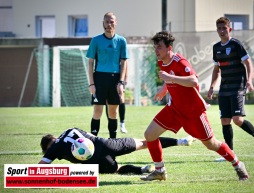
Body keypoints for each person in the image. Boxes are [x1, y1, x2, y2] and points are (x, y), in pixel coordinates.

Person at [140, 31, 249, 182]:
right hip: (174, 109)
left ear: (169, 48)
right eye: (155, 47)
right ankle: (160, 171)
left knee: (211, 144)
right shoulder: (161, 61)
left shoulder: (180, 62)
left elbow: (193, 81)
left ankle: (238, 164)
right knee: (150, 135)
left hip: (193, 113)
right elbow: (170, 79)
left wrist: (170, 78)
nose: (156, 50)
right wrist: (164, 89)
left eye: (159, 47)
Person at [207, 17, 254, 162]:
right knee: (225, 121)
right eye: (219, 28)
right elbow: (216, 70)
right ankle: (230, 154)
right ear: (217, 30)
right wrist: (211, 87)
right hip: (224, 88)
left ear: (230, 29)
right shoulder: (216, 47)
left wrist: (249, 80)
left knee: (237, 119)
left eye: (224, 28)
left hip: (238, 87)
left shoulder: (236, 44)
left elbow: (248, 62)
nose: (222, 31)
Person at [38, 127, 195, 174]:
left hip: (95, 161)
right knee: (145, 143)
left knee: (117, 170)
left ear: (48, 146)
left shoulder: (54, 150)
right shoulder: (70, 129)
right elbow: (91, 136)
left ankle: (142, 170)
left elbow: (39, 168)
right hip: (105, 144)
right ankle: (181, 141)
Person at [86, 12, 128, 138]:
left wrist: (121, 82)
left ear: (116, 23)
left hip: (115, 79)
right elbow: (90, 63)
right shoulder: (96, 40)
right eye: (106, 22)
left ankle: (113, 142)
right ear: (102, 23)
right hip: (99, 78)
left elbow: (124, 62)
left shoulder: (121, 41)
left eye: (111, 22)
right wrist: (92, 83)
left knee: (113, 112)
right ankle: (93, 141)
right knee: (97, 111)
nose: (108, 24)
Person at [105, 65, 128, 133]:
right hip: (107, 76)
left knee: (121, 99)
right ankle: (111, 123)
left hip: (119, 77)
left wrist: (126, 78)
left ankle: (122, 124)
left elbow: (125, 63)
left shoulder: (119, 55)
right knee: (108, 101)